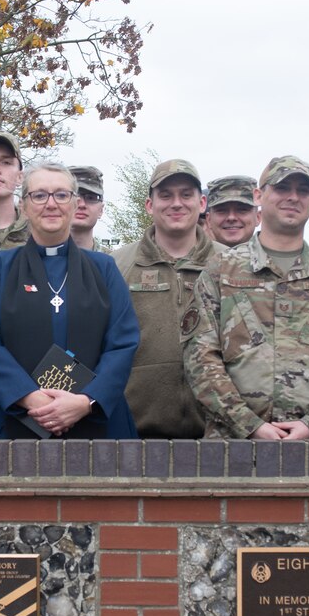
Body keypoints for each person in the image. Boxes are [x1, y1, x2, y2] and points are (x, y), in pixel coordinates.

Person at [182, 156, 309, 439]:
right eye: (281, 188)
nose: (292, 197)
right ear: (259, 196)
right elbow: (200, 358)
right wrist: (249, 425)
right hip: (233, 443)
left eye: (302, 190)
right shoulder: (220, 272)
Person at [0, 164, 139, 438]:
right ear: (23, 205)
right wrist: (30, 398)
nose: (51, 204)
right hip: (11, 416)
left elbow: (123, 342)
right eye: (40, 195)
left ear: (75, 203)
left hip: (95, 420)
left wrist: (86, 400)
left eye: (61, 195)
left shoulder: (103, 268)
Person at [111, 160, 215, 438]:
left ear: (202, 202)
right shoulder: (118, 264)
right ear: (149, 205)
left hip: (218, 435)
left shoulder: (229, 265)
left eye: (186, 194)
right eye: (166, 195)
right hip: (134, 432)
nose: (176, 203)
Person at [203, 175, 258, 248]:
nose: (231, 217)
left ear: (258, 217)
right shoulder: (191, 258)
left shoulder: (273, 257)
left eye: (242, 210)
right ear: (209, 220)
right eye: (222, 210)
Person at [69, 164, 105, 250]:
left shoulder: (116, 261)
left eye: (91, 198)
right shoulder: (34, 259)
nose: (81, 204)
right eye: (74, 196)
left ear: (101, 210)